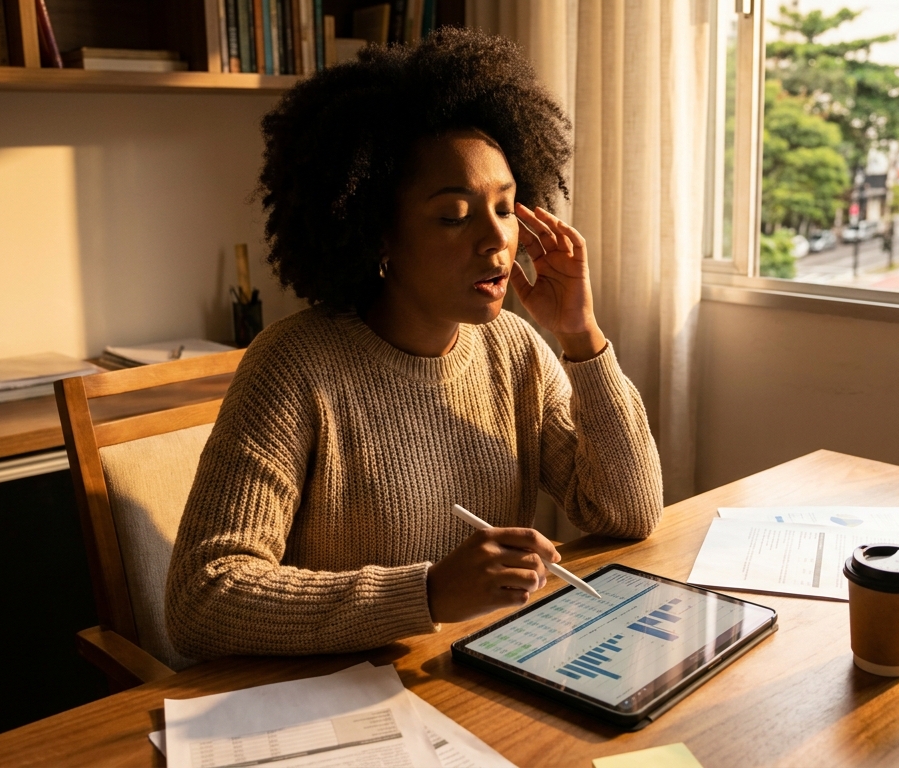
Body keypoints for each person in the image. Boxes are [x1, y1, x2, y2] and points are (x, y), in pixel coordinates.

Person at [164, 29, 664, 660]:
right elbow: (201, 600)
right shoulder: (293, 368)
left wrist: (581, 337)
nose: (496, 240)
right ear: (378, 237)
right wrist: (426, 594)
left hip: (476, 675)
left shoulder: (514, 350)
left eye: (507, 208)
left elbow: (629, 510)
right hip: (345, 702)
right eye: (454, 215)